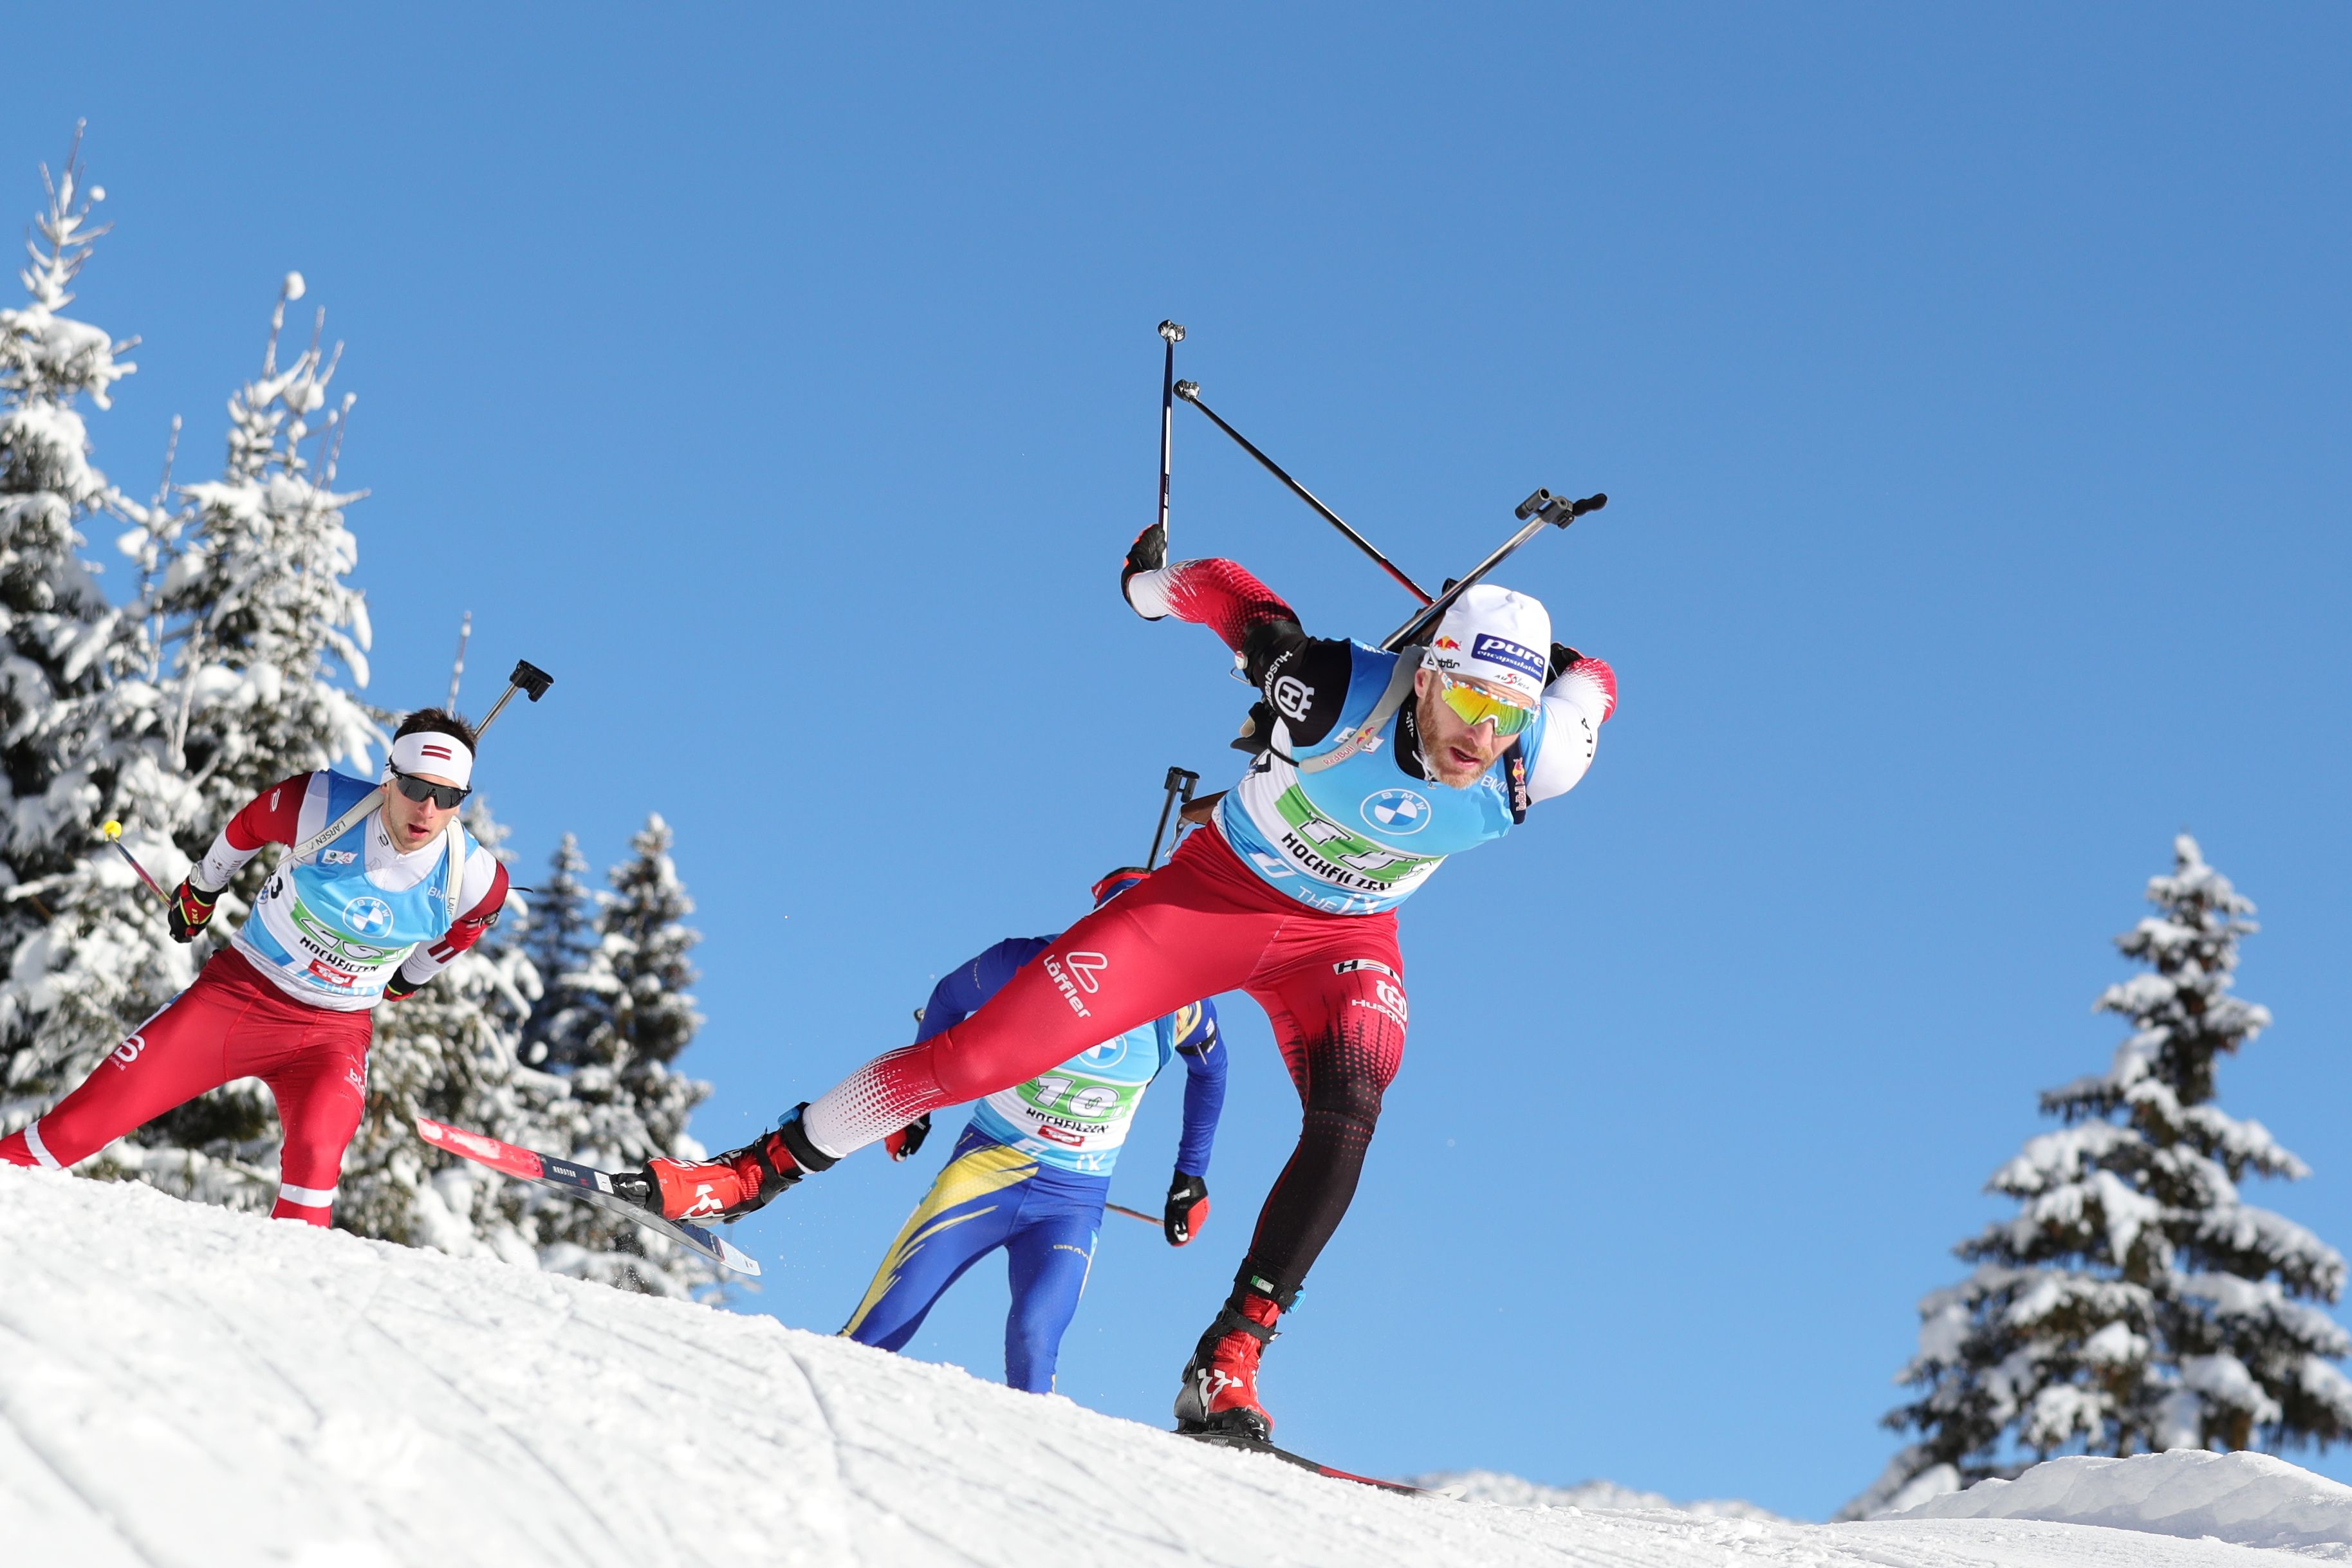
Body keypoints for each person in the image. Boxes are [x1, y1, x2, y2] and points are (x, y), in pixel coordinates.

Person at [617, 527, 1616, 1440]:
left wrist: (1565, 668)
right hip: (1212, 904)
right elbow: (1232, 599)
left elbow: (1598, 683)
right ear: (1431, 670)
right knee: (979, 1055)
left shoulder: (1543, 757)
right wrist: (1148, 584)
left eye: (1510, 712)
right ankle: (746, 1176)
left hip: (1345, 939)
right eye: (1473, 700)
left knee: (1351, 1106)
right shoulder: (1326, 688)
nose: (1483, 736)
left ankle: (1229, 1358)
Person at [1, 711, 510, 1224]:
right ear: (389, 777)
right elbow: (248, 826)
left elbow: (464, 931)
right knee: (73, 1130)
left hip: (332, 1035)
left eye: (447, 797)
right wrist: (203, 887)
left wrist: (409, 977)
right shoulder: (321, 805)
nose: (427, 808)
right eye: (416, 787)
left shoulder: (475, 877)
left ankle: (282, 1295)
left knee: (315, 1163)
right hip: (239, 997)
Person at [836, 867, 1227, 1394]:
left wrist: (1191, 1176)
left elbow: (1211, 1070)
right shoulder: (1030, 961)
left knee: (1033, 1343)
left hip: (1071, 1202)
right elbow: (948, 998)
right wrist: (914, 1104)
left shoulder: (1181, 1006)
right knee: (874, 1333)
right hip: (984, 1172)